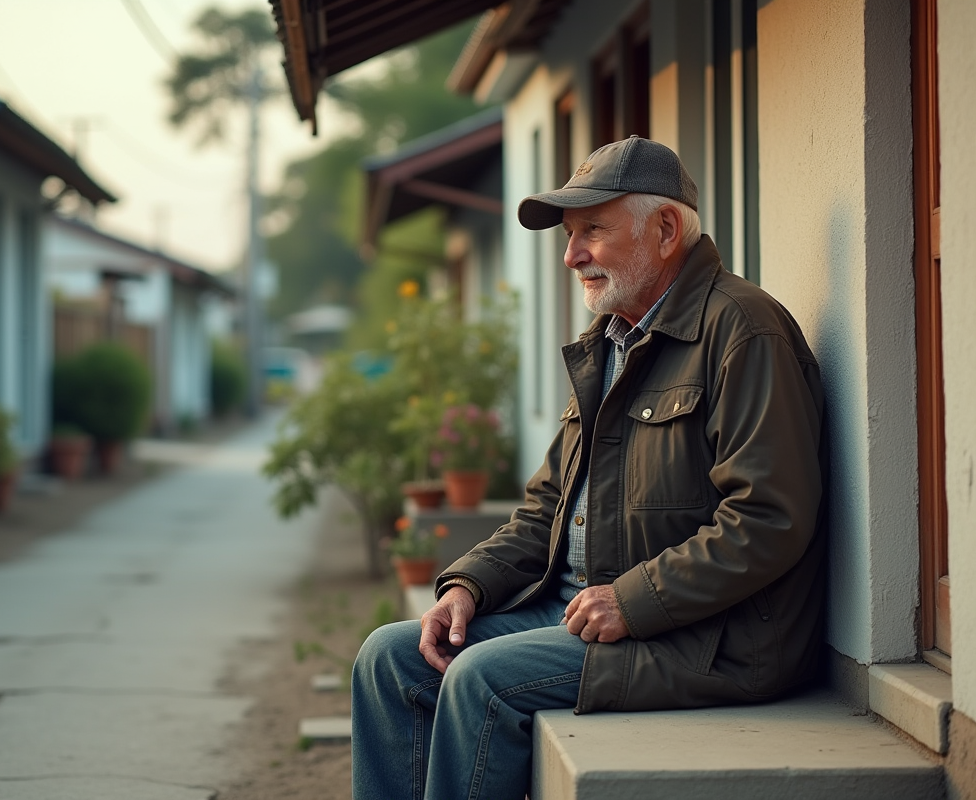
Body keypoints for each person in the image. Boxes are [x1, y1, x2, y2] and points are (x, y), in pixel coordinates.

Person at [351, 135, 828, 800]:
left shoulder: (743, 331)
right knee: (390, 658)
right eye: (571, 235)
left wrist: (632, 600)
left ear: (665, 230)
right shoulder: (608, 344)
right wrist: (467, 588)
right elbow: (546, 507)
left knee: (481, 679)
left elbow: (770, 518)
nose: (572, 255)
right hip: (578, 612)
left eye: (592, 231)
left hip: (707, 639)